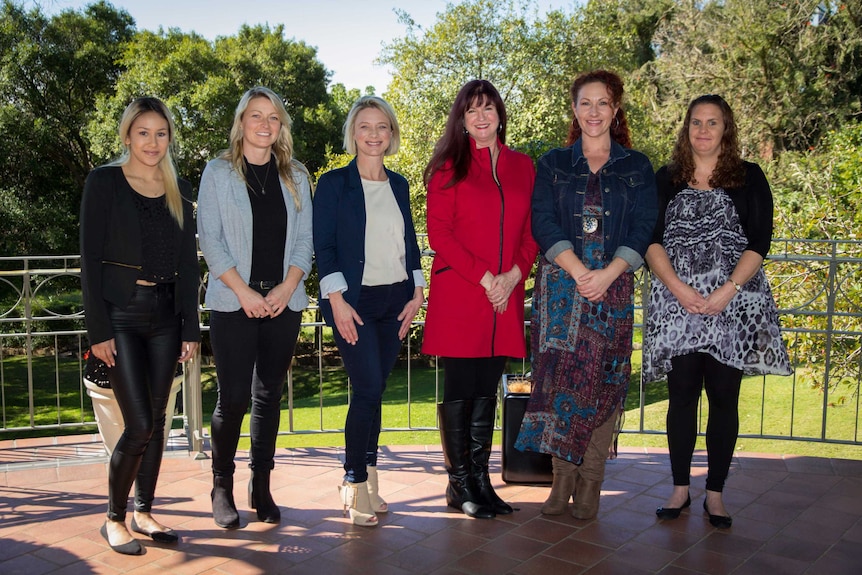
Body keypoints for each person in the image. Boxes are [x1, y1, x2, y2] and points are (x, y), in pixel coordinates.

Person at [644, 94, 791, 529]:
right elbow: (651, 239)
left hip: (734, 306)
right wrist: (678, 289)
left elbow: (758, 241)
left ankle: (716, 494)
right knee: (682, 396)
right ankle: (679, 488)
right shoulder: (665, 178)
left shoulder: (749, 177)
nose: (703, 131)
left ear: (726, 129)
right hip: (678, 305)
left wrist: (726, 292)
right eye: (695, 122)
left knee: (724, 397)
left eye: (712, 123)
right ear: (685, 129)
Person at [515, 70, 658, 520]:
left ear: (615, 110)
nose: (594, 111)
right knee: (556, 384)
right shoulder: (554, 162)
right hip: (561, 289)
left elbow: (644, 226)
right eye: (585, 103)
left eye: (603, 103)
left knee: (606, 385)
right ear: (574, 110)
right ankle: (562, 479)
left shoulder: (636, 166)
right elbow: (542, 221)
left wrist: (609, 272)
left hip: (613, 290)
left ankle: (591, 479)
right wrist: (579, 272)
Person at [80, 97, 200, 554]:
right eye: (144, 132)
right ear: (128, 135)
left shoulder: (179, 187)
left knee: (159, 422)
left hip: (167, 318)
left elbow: (189, 263)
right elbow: (89, 260)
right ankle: (112, 519)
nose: (153, 142)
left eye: (161, 133)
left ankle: (144, 511)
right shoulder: (105, 182)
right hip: (121, 316)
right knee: (140, 423)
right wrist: (98, 331)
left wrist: (191, 327)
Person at [422, 80, 538, 519]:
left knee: (487, 392)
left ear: (500, 114)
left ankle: (481, 481)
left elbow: (532, 233)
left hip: (504, 298)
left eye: (488, 108)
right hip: (462, 295)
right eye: (472, 110)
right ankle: (458, 486)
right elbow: (440, 236)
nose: (482, 116)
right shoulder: (447, 168)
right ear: (462, 119)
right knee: (460, 389)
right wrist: (487, 277)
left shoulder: (524, 166)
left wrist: (512, 277)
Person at [198, 86, 313, 528]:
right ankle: (221, 485)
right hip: (233, 302)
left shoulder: (297, 176)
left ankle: (260, 484)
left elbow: (305, 239)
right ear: (241, 122)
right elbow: (211, 239)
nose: (264, 124)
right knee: (233, 398)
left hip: (284, 300)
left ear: (281, 125)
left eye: (273, 117)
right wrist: (244, 292)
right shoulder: (219, 171)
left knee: (269, 396)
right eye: (255, 116)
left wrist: (286, 288)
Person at [313, 96, 425, 527]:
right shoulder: (333, 184)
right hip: (353, 303)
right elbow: (325, 246)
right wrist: (336, 300)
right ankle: (353, 480)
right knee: (367, 389)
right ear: (353, 133)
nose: (374, 134)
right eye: (365, 126)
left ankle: (371, 481)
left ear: (391, 134)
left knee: (375, 391)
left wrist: (418, 291)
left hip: (395, 301)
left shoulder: (399, 184)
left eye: (382, 127)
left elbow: (410, 242)